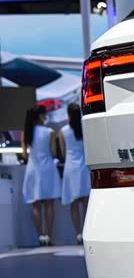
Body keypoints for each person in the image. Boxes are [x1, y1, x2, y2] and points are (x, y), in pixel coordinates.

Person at [22, 105, 61, 246]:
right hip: (48, 169)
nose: (46, 116)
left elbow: (24, 154)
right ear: (40, 116)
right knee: (49, 204)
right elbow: (54, 153)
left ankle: (40, 236)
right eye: (45, 114)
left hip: (33, 169)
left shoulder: (27, 132)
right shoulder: (50, 132)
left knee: (35, 204)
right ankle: (48, 236)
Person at [59, 103, 91, 245]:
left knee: (74, 203)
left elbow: (63, 152)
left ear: (68, 114)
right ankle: (86, 231)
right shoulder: (85, 128)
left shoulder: (63, 131)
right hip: (84, 166)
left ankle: (78, 233)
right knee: (86, 202)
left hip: (71, 168)